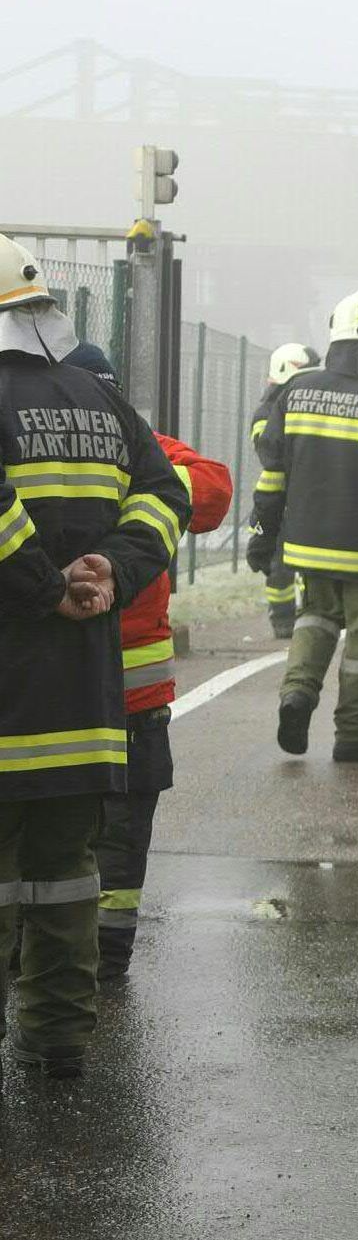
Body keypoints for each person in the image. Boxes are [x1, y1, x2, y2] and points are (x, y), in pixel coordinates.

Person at [0, 242, 189, 1079]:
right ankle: (60, 1037)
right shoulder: (99, 401)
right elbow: (167, 493)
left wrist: (45, 586)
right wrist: (112, 565)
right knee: (64, 874)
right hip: (81, 700)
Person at [59, 344, 233, 980]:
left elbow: (214, 490)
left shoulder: (38, 446)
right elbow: (209, 490)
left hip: (61, 679)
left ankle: (57, 954)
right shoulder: (147, 448)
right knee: (121, 830)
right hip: (133, 689)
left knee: (54, 825)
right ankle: (104, 957)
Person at [248, 292, 358, 762]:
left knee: (315, 618)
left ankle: (297, 694)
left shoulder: (295, 392)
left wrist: (263, 534)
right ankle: (353, 735)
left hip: (306, 545)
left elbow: (272, 476)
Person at [250, 343, 317, 639]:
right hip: (280, 497)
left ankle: (309, 614)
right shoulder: (266, 412)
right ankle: (282, 618)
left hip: (307, 494)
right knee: (279, 561)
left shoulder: (305, 403)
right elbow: (270, 455)